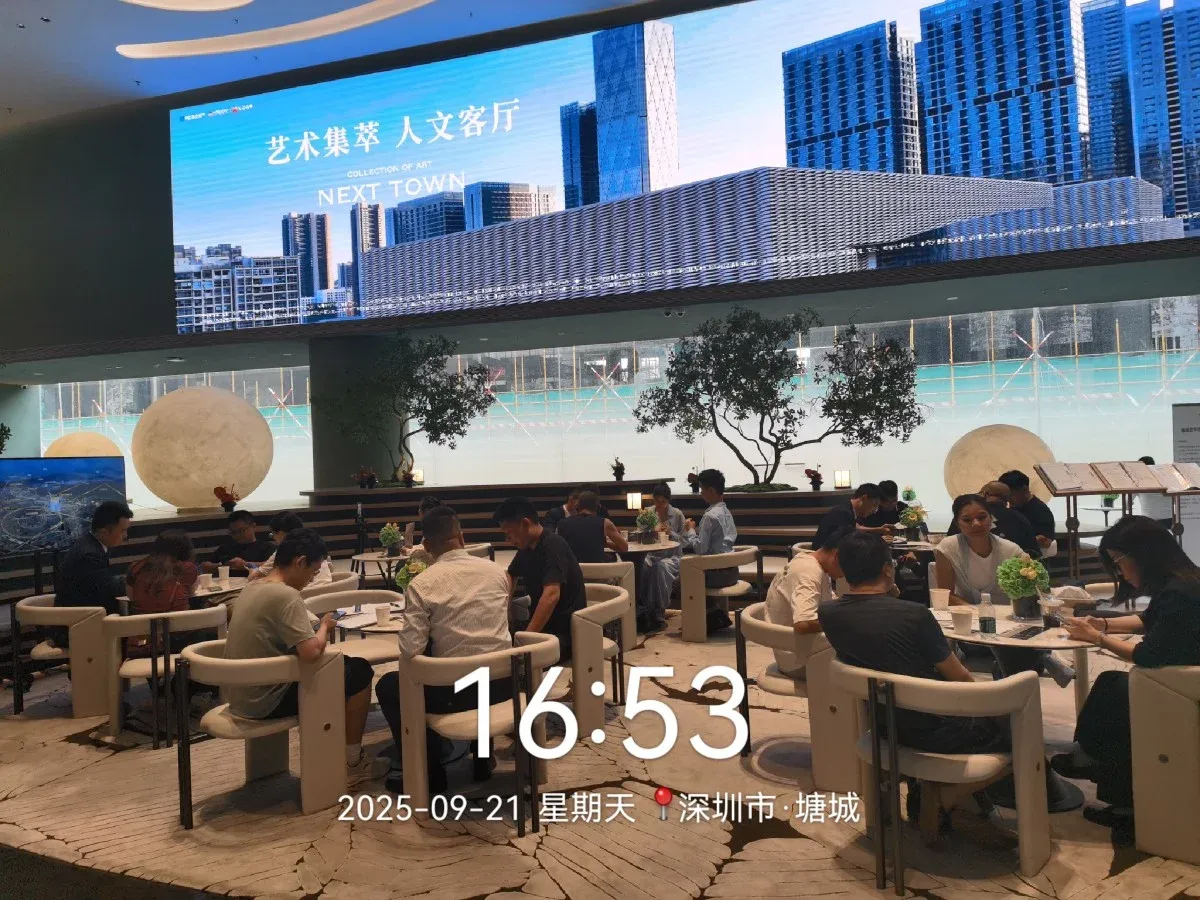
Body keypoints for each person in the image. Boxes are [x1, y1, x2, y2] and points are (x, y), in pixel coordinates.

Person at [1052, 516, 1200, 833]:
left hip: (1185, 690)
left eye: (1118, 562)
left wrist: (1097, 638)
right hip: (1184, 681)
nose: (1119, 572)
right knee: (1114, 684)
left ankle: (1114, 790)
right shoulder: (1185, 582)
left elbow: (1147, 655)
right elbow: (1150, 619)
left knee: (1118, 694)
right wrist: (1103, 624)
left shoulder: (1178, 593)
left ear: (1142, 555)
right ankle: (1091, 758)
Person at [818, 531, 1009, 754]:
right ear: (887, 569)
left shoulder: (827, 613)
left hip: (885, 725)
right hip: (943, 727)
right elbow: (962, 678)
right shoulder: (915, 615)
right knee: (1014, 716)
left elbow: (871, 616)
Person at [223, 529, 379, 787]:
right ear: (300, 562)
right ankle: (352, 763)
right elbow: (311, 652)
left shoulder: (253, 587)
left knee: (346, 667)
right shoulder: (285, 595)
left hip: (241, 695)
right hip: (266, 701)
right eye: (314, 571)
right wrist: (325, 626)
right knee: (360, 672)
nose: (311, 579)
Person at [374, 507, 514, 795]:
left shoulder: (423, 584)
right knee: (482, 659)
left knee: (390, 685)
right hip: (503, 687)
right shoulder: (498, 572)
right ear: (462, 537)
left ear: (426, 546)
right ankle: (482, 760)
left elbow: (411, 649)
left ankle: (429, 772)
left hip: (454, 697)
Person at [936, 494, 1075, 686]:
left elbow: (1036, 588)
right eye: (967, 520)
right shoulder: (948, 548)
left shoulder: (1010, 549)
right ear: (957, 523)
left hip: (1011, 622)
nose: (976, 524)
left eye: (982, 517)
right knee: (1003, 647)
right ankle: (1040, 658)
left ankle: (1020, 667)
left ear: (991, 518)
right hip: (971, 625)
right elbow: (946, 594)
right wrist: (981, 613)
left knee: (1017, 642)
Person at [495, 497, 587, 662]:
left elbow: (551, 595)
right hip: (545, 627)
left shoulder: (553, 545)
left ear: (525, 523)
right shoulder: (527, 547)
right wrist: (506, 605)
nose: (508, 539)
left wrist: (526, 640)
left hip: (564, 633)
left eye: (509, 533)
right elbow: (511, 574)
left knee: (512, 664)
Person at [765, 526, 850, 677]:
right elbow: (803, 623)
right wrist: (844, 624)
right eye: (849, 567)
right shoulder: (809, 571)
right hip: (800, 661)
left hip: (797, 652)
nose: (845, 575)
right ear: (837, 555)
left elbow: (829, 602)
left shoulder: (810, 561)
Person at [51, 500, 133, 647]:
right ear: (104, 532)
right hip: (75, 628)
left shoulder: (90, 545)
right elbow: (109, 588)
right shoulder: (89, 555)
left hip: (82, 620)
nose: (126, 536)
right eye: (122, 531)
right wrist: (139, 580)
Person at [679, 468, 739, 633]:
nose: (701, 493)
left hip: (717, 574)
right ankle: (714, 614)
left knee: (679, 578)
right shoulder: (726, 512)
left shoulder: (710, 516)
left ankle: (704, 619)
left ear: (711, 490)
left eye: (702, 489)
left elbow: (700, 549)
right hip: (732, 571)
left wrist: (690, 530)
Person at [946, 481, 1040, 557]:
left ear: (985, 494)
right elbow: (1033, 554)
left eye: (982, 517)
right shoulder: (1021, 519)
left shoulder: (965, 516)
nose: (977, 524)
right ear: (1007, 499)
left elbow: (950, 548)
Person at [126, 529, 199, 618]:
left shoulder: (136, 567)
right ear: (186, 550)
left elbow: (131, 597)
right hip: (178, 622)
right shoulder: (187, 568)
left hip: (140, 623)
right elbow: (191, 593)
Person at [249, 512, 334, 585]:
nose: (273, 538)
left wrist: (253, 572)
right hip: (327, 592)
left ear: (281, 534)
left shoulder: (284, 552)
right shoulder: (316, 545)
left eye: (272, 534)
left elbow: (252, 578)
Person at [556, 490, 628, 563]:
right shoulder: (605, 523)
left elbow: (558, 549)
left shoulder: (562, 523)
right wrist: (606, 544)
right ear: (598, 507)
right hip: (598, 569)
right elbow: (624, 548)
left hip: (572, 569)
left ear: (577, 506)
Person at [202, 511, 275, 577]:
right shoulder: (225, 548)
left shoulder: (267, 547)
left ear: (253, 526)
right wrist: (224, 565)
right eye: (233, 532)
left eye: (241, 530)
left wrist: (246, 564)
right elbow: (205, 566)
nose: (237, 535)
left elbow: (274, 566)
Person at [998, 470, 1056, 553]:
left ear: (1024, 489)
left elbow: (1046, 542)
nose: (1007, 499)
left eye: (1010, 494)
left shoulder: (1041, 511)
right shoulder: (1013, 507)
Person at [813, 484, 887, 548]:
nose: (875, 511)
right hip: (823, 556)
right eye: (875, 505)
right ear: (864, 498)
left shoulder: (848, 509)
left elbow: (855, 528)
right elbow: (845, 544)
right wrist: (877, 541)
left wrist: (879, 531)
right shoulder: (843, 513)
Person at [1134, 456, 1174, 527]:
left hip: (1149, 521)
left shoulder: (1137, 482)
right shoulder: (1166, 479)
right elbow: (1174, 500)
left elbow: (1127, 503)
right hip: (1169, 520)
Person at [408, 496, 445, 566]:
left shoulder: (434, 528)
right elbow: (424, 546)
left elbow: (427, 553)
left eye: (420, 508)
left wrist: (409, 552)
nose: (418, 511)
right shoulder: (438, 524)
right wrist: (411, 549)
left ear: (427, 511)